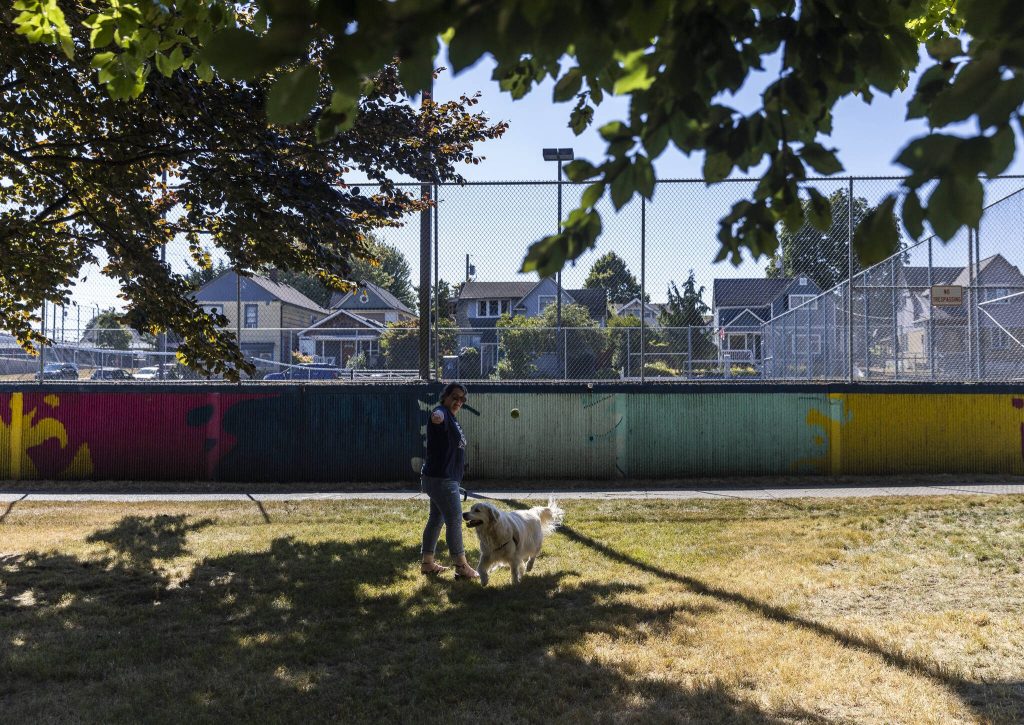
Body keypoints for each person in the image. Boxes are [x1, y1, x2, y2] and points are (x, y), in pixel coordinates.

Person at [420, 382, 479, 580]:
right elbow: (438, 416)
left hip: (441, 478)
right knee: (454, 520)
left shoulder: (453, 419)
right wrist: (438, 416)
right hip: (442, 480)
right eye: (455, 396)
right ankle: (461, 566)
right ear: (445, 396)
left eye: (462, 399)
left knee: (436, 519)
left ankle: (427, 563)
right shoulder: (441, 412)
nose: (458, 401)